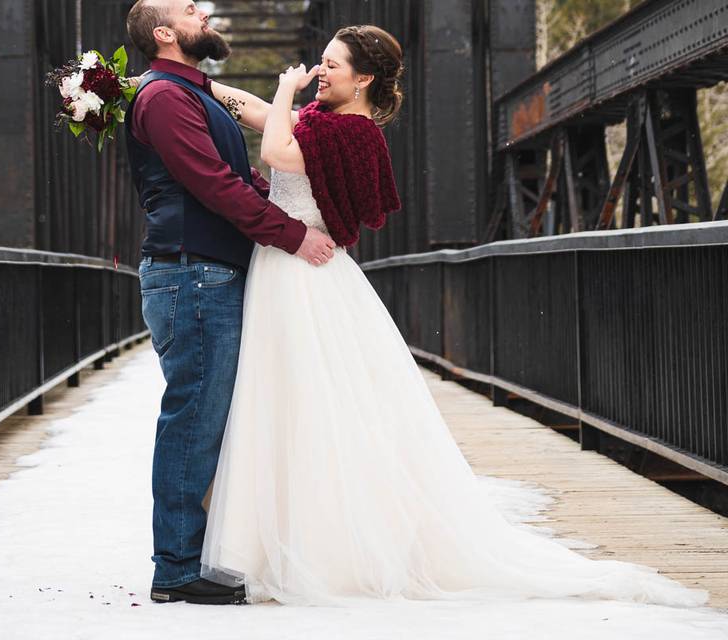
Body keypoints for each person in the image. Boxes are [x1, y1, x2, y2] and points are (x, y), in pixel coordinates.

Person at [198, 24, 711, 609]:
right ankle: (272, 542)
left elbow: (274, 150)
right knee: (282, 402)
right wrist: (202, 88)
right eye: (319, 62)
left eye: (331, 64)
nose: (319, 71)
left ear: (363, 77)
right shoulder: (319, 120)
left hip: (304, 276)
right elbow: (268, 119)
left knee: (311, 404)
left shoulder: (357, 133)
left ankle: (325, 549)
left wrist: (286, 86)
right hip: (282, 270)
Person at [123, 0, 338, 605]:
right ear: (165, 34)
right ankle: (177, 569)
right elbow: (211, 184)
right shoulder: (164, 97)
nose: (200, 10)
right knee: (193, 420)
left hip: (207, 273)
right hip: (191, 275)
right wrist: (293, 235)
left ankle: (190, 557)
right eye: (188, 9)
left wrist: (300, 205)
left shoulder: (192, 92)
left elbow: (238, 177)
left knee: (206, 419)